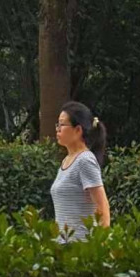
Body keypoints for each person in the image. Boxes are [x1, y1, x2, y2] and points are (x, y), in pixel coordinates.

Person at [51, 100, 110, 242]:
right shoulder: (66, 161)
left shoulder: (85, 161)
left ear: (78, 130)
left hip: (81, 248)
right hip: (63, 246)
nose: (57, 129)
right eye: (57, 124)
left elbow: (103, 208)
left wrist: (100, 246)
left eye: (62, 124)